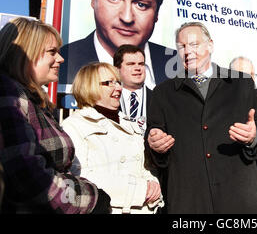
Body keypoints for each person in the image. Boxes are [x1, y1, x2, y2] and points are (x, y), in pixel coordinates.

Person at [146, 21, 257, 213]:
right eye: (181, 47)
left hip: (239, 201)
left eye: (194, 45)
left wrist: (253, 137)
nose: (187, 51)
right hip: (190, 202)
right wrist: (155, 144)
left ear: (210, 45)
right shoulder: (163, 93)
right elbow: (154, 141)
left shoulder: (242, 84)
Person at [0, 18, 110, 214]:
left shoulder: (33, 101)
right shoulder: (10, 95)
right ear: (26, 53)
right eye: (52, 52)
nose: (60, 59)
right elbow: (30, 180)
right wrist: (92, 198)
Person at [59, 0, 176, 89]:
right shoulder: (61, 62)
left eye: (141, 5)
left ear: (157, 13)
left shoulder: (178, 65)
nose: (127, 18)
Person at [61, 62, 163, 214]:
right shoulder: (74, 125)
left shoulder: (129, 124)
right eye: (109, 83)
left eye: (118, 82)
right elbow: (79, 178)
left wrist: (154, 185)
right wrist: (140, 189)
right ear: (89, 86)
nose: (119, 88)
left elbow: (144, 168)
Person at [113, 44, 152, 130]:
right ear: (117, 69)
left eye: (141, 64)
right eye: (131, 64)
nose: (138, 68)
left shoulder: (158, 98)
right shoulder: (107, 100)